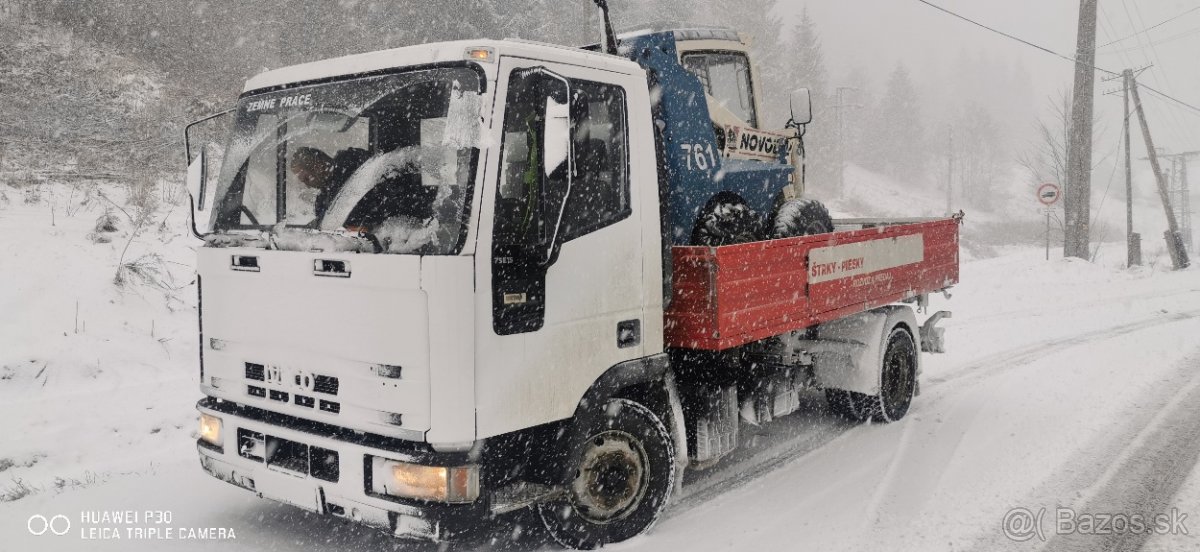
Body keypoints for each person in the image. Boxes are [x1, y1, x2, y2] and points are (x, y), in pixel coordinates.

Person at [289, 146, 368, 222]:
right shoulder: (322, 201)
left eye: (307, 179)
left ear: (318, 167)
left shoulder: (354, 162)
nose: (308, 186)